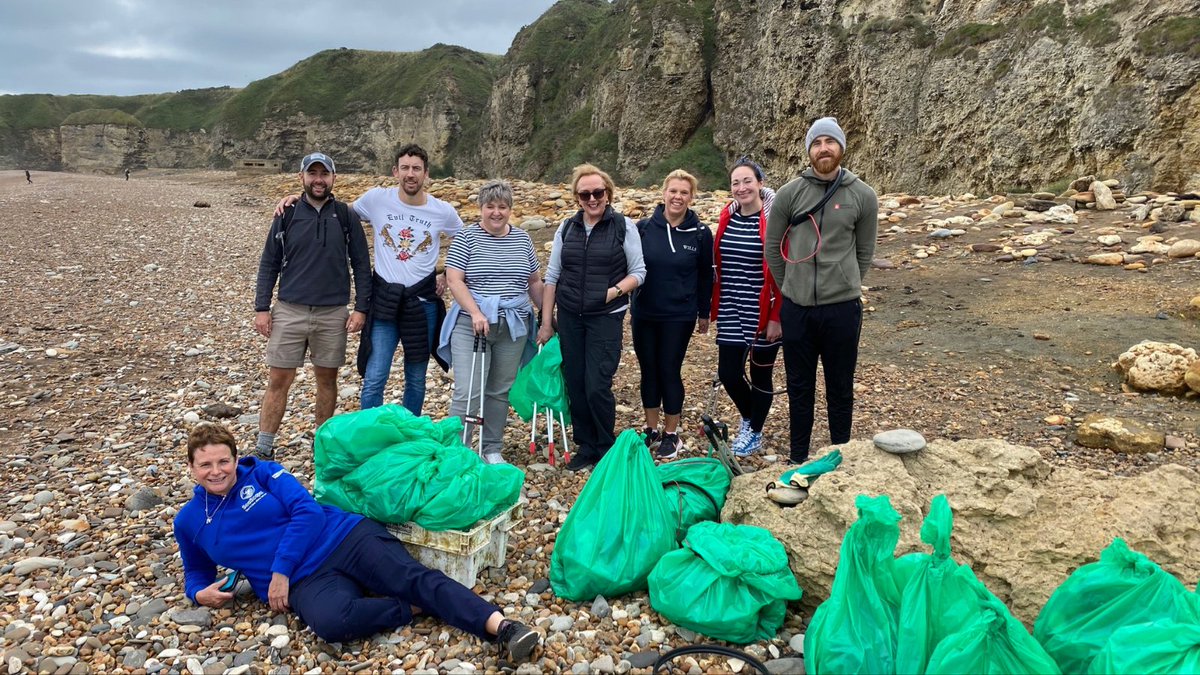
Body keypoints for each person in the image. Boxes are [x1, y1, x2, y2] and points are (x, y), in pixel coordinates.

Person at [173, 422, 540, 660]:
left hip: (342, 537)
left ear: (236, 459)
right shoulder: (188, 521)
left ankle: (503, 628)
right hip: (308, 581)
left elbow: (309, 512)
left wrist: (279, 570)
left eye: (224, 461)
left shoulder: (264, 474)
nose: (217, 471)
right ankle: (412, 608)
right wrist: (198, 593)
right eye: (205, 465)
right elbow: (196, 572)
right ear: (191, 468)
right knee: (332, 623)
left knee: (411, 577)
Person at [277, 144, 464, 416]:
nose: (410, 174)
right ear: (395, 172)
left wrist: (448, 273)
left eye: (416, 169)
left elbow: (465, 240)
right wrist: (298, 198)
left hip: (422, 302)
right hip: (385, 300)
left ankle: (409, 436)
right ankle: (369, 436)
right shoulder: (377, 199)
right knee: (375, 375)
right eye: (405, 168)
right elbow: (335, 211)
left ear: (426, 174)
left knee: (416, 376)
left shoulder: (442, 210)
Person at [764, 117, 878, 464]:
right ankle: (799, 457)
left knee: (840, 387)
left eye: (830, 142)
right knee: (800, 388)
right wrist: (791, 286)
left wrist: (846, 283)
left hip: (842, 309)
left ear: (842, 148)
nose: (823, 148)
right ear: (809, 150)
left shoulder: (862, 194)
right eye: (816, 143)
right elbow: (772, 247)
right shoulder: (789, 193)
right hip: (797, 309)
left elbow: (864, 250)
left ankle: (839, 456)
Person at [253, 152, 371, 459]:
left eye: (324, 174)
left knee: (327, 379)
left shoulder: (346, 216)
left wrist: (361, 308)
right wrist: (262, 308)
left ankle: (323, 444)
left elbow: (361, 264)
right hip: (289, 309)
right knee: (279, 379)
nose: (318, 180)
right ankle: (264, 446)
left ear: (334, 178)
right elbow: (270, 262)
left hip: (333, 312)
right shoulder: (287, 214)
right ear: (302, 177)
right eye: (312, 174)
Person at [538, 164, 646, 471]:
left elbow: (639, 272)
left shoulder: (624, 226)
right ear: (577, 197)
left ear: (608, 193)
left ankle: (605, 445)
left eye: (598, 192)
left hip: (605, 316)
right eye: (585, 194)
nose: (592, 198)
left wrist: (613, 291)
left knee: (597, 383)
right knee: (575, 381)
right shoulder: (567, 227)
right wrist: (546, 324)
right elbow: (552, 276)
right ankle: (586, 446)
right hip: (571, 316)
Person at [438, 180, 544, 464]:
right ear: (480, 208)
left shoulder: (522, 240)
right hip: (472, 324)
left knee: (499, 390)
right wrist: (475, 312)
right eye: (490, 207)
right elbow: (454, 279)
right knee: (468, 390)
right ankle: (456, 451)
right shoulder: (466, 238)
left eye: (502, 207)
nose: (496, 212)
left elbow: (533, 281)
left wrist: (548, 317)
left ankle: (491, 448)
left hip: (513, 324)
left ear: (510, 210)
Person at [631, 169, 713, 460]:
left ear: (691, 197)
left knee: (669, 369)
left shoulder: (701, 233)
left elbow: (706, 276)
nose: (678, 197)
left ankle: (671, 434)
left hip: (679, 314)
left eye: (684, 192)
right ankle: (651, 428)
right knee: (648, 370)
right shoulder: (642, 228)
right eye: (673, 191)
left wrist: (705, 313)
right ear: (663, 193)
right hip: (644, 311)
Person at [711, 157, 783, 458]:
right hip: (730, 306)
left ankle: (753, 432)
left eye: (747, 181)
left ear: (760, 184)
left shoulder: (774, 220)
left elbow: (782, 271)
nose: (741, 188)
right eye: (735, 183)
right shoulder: (727, 215)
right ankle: (752, 419)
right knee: (728, 373)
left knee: (760, 376)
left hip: (763, 311)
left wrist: (777, 318)